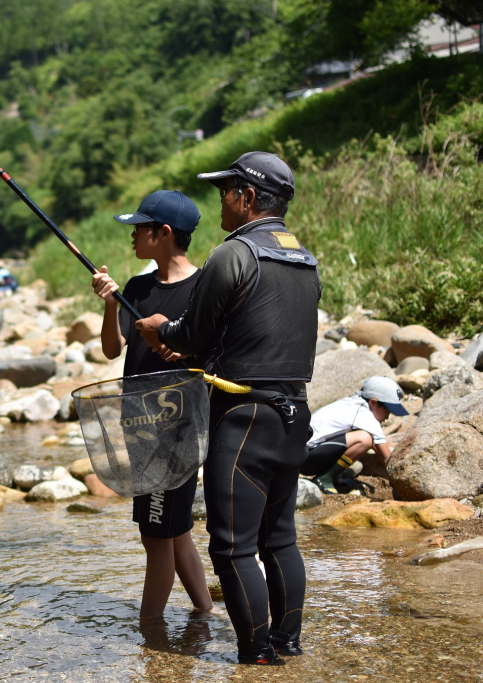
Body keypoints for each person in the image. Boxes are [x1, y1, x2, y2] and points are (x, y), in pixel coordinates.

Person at [137, 152, 321, 666]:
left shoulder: (232, 254)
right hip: (293, 415)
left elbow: (192, 334)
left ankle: (258, 656)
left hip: (243, 418)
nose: (220, 201)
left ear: (246, 197)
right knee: (280, 537)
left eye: (226, 191)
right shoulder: (303, 258)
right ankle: (287, 645)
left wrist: (159, 331)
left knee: (234, 547)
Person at [91, 190, 213, 624]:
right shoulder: (139, 288)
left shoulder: (203, 289)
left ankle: (150, 635)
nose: (132, 235)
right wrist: (110, 304)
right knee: (174, 530)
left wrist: (176, 351)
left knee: (156, 536)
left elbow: (209, 355)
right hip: (138, 425)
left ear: (164, 234)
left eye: (139, 227)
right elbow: (111, 349)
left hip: (175, 432)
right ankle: (205, 612)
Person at [304, 376, 407, 494]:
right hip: (307, 459)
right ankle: (325, 478)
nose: (387, 417)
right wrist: (402, 484)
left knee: (367, 438)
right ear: (373, 402)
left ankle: (332, 475)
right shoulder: (364, 414)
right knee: (365, 439)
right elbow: (386, 458)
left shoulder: (353, 403)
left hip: (304, 454)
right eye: (387, 411)